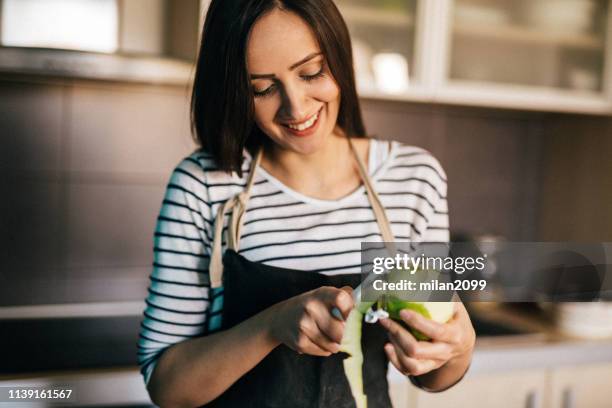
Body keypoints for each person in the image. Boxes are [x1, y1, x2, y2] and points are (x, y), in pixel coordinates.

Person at [138, 0, 475, 406]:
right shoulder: (204, 186)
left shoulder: (414, 180)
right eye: (261, 88)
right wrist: (270, 326)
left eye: (311, 72)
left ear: (338, 56)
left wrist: (459, 346)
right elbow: (167, 385)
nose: (296, 108)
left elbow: (434, 374)